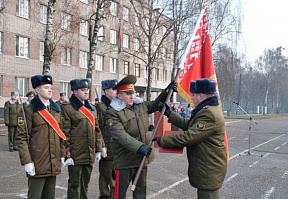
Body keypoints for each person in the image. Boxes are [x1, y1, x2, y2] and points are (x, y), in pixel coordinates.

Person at [105, 75, 177, 199]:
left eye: (133, 93)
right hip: (125, 160)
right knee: (119, 194)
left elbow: (156, 104)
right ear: (119, 95)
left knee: (140, 193)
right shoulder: (112, 113)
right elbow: (120, 135)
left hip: (141, 159)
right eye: (128, 94)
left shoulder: (140, 106)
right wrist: (140, 147)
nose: (132, 96)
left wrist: (166, 92)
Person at [154, 78, 227, 199]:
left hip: (209, 169)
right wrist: (169, 113)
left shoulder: (208, 113)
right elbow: (190, 125)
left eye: (194, 95)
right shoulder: (208, 110)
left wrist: (162, 140)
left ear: (201, 95)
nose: (192, 98)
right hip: (208, 167)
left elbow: (189, 137)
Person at [16, 75, 66, 198]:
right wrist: (27, 161)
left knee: (50, 196)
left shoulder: (56, 110)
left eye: (50, 87)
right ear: (37, 90)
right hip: (37, 163)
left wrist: (63, 154)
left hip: (53, 163)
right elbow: (21, 138)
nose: (50, 90)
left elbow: (61, 134)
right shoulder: (28, 110)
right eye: (46, 87)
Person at [61, 78, 105, 199]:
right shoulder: (67, 108)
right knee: (75, 184)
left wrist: (99, 148)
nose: (86, 92)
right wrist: (67, 154)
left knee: (85, 183)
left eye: (87, 90)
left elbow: (97, 130)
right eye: (83, 90)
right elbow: (65, 134)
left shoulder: (91, 109)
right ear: (74, 92)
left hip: (89, 152)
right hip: (76, 154)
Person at [95, 79, 118, 199]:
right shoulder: (100, 107)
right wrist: (101, 147)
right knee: (106, 177)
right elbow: (97, 129)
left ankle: (114, 196)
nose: (116, 91)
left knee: (116, 178)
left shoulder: (117, 106)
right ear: (105, 91)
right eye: (114, 89)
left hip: (118, 149)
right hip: (107, 148)